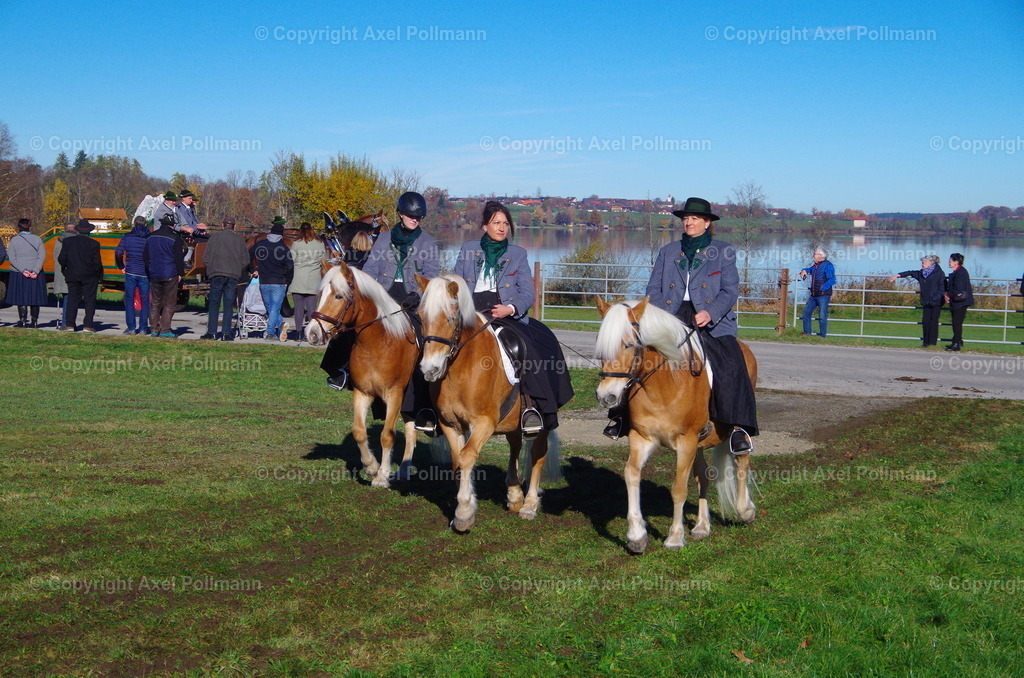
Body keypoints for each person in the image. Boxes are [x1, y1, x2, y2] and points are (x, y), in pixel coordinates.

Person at [606, 197, 759, 453]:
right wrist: (657, 316)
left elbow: (730, 291)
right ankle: (621, 416)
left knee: (731, 360)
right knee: (634, 354)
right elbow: (653, 287)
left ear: (707, 222)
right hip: (669, 315)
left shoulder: (723, 251)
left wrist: (710, 313)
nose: (689, 222)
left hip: (711, 319)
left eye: (694, 218)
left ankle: (738, 428)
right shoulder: (668, 251)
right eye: (686, 219)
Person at [320, 191, 441, 430]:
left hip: (412, 301)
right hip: (384, 297)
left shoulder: (427, 242)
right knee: (351, 323)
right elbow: (372, 268)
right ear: (400, 214)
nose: (414, 220)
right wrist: (373, 292)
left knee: (425, 341)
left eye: (418, 217)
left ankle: (425, 404)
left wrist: (416, 294)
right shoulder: (384, 239)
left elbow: (432, 273)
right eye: (409, 215)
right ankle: (341, 370)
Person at [453, 201, 574, 434]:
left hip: (503, 314)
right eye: (496, 223)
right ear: (484, 226)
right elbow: (456, 283)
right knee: (437, 343)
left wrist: (510, 308)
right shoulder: (468, 249)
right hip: (470, 314)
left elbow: (528, 293)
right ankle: (431, 407)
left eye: (505, 224)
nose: (501, 228)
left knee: (525, 348)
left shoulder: (518, 254)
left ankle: (531, 407)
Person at [201, 217, 250, 340]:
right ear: (234, 226)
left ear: (223, 225)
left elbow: (206, 257)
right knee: (228, 304)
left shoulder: (214, 237)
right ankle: (226, 333)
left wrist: (211, 268)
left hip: (216, 273)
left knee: (214, 303)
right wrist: (237, 270)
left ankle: (211, 332)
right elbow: (245, 260)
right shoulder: (239, 239)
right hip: (232, 275)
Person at [249, 217, 293, 341]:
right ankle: (270, 333)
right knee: (274, 309)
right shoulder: (283, 249)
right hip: (279, 282)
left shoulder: (260, 245)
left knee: (270, 308)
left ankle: (281, 324)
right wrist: (288, 282)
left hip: (264, 282)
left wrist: (252, 269)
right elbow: (290, 267)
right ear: (281, 235)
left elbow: (249, 255)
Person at [144, 213, 186, 337]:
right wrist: (180, 273)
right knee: (169, 303)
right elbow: (179, 258)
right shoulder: (175, 238)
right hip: (170, 272)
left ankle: (154, 328)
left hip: (154, 272)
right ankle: (165, 330)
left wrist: (149, 269)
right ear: (172, 225)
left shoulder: (151, 237)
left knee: (155, 302)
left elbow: (145, 256)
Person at [57, 219, 103, 332]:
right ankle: (88, 325)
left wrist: (66, 269)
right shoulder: (94, 244)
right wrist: (99, 275)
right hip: (90, 275)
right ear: (89, 232)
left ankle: (70, 325)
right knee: (90, 301)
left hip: (73, 274)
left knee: (72, 300)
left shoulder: (68, 242)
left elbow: (61, 258)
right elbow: (97, 262)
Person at [888, 255, 945, 347]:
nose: (921, 264)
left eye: (923, 262)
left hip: (936, 302)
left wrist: (935, 298)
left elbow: (942, 288)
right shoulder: (922, 273)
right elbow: (911, 273)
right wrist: (898, 275)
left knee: (933, 322)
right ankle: (925, 342)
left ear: (930, 263)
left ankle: (932, 343)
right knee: (926, 322)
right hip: (926, 302)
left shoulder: (939, 273)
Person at [5, 219, 49, 328]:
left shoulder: (15, 240)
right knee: (35, 298)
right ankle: (34, 321)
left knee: (21, 297)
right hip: (35, 273)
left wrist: (22, 270)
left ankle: (23, 320)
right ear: (30, 227)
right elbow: (42, 256)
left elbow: (12, 258)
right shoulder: (37, 239)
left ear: (19, 227)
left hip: (19, 273)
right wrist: (35, 271)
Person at [288, 222, 326, 341]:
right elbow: (323, 261)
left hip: (298, 278)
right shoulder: (319, 244)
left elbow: (292, 260)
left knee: (298, 308)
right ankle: (311, 334)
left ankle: (298, 333)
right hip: (313, 279)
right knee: (311, 309)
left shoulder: (296, 244)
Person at [115, 216, 151, 335]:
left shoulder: (127, 237)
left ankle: (131, 327)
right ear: (145, 224)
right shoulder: (149, 238)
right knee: (145, 300)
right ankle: (143, 328)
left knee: (129, 300)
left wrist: (121, 266)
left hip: (131, 271)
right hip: (145, 272)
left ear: (134, 224)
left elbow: (118, 252)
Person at [799, 248, 836, 337]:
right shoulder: (816, 265)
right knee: (806, 312)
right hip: (814, 294)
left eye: (815, 254)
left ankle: (822, 335)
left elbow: (832, 279)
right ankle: (807, 333)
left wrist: (823, 288)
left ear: (820, 256)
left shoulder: (828, 265)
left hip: (823, 295)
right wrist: (804, 270)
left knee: (822, 315)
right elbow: (810, 269)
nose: (813, 255)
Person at [945, 252, 974, 351]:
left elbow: (958, 289)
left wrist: (949, 295)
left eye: (950, 261)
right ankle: (957, 340)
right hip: (958, 302)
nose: (949, 263)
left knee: (957, 323)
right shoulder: (958, 272)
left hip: (960, 302)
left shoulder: (960, 273)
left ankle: (956, 343)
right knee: (956, 322)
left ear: (956, 262)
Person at [51, 223, 77, 330]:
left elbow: (55, 256)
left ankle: (65, 323)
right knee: (70, 299)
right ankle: (68, 323)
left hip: (62, 273)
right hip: (73, 273)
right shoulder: (77, 241)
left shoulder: (58, 241)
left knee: (66, 297)